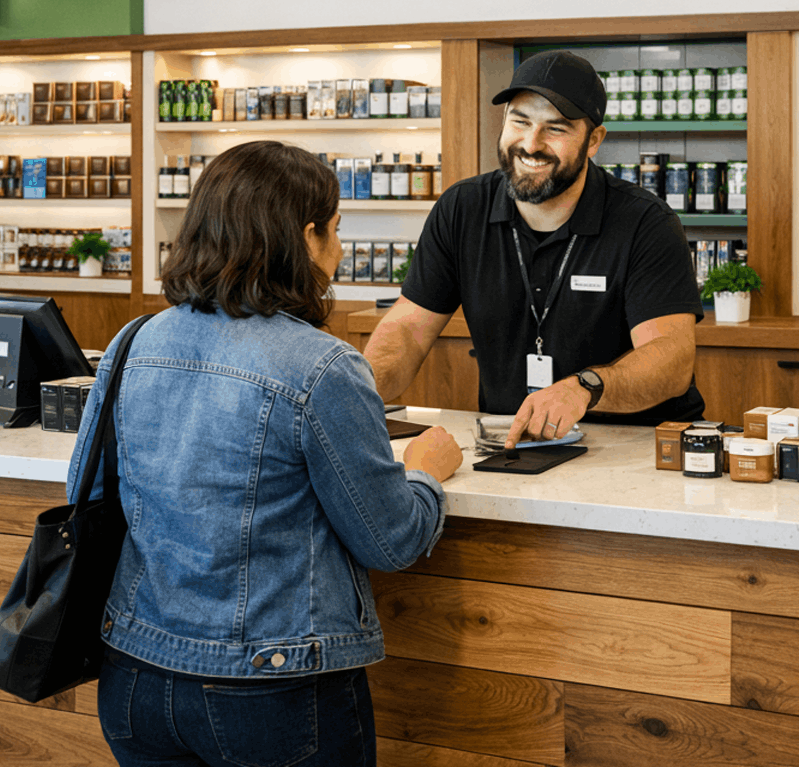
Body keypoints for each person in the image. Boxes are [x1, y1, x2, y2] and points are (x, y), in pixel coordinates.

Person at [68, 139, 462, 767]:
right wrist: (426, 475)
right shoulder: (322, 365)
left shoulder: (132, 340)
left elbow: (84, 497)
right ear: (306, 239)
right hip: (273, 689)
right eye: (335, 231)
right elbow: (390, 540)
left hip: (134, 676)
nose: (339, 249)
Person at [364, 50, 705, 447]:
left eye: (555, 129)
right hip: (512, 439)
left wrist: (584, 387)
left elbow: (671, 357)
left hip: (636, 444)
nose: (531, 143)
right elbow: (407, 330)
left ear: (594, 140)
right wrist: (356, 393)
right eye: (519, 121)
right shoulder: (462, 208)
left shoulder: (645, 222)